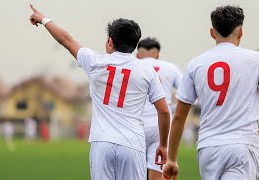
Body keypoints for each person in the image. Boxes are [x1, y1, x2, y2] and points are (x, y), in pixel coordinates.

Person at [29, 5, 170, 180]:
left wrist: (43, 19)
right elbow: (164, 111)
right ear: (135, 44)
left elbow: (66, 40)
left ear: (110, 41)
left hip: (102, 142)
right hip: (133, 144)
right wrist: (163, 145)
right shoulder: (147, 71)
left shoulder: (95, 62)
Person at [162, 5, 259, 180]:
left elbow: (179, 116)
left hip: (208, 148)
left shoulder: (196, 64)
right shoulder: (256, 60)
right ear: (241, 31)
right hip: (242, 145)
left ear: (212, 33)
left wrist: (172, 159)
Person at [136, 38, 182, 180]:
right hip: (160, 126)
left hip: (136, 125)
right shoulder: (171, 68)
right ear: (157, 54)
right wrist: (172, 109)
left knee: (133, 173)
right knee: (157, 174)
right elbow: (187, 96)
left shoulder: (133, 66)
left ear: (138, 54)